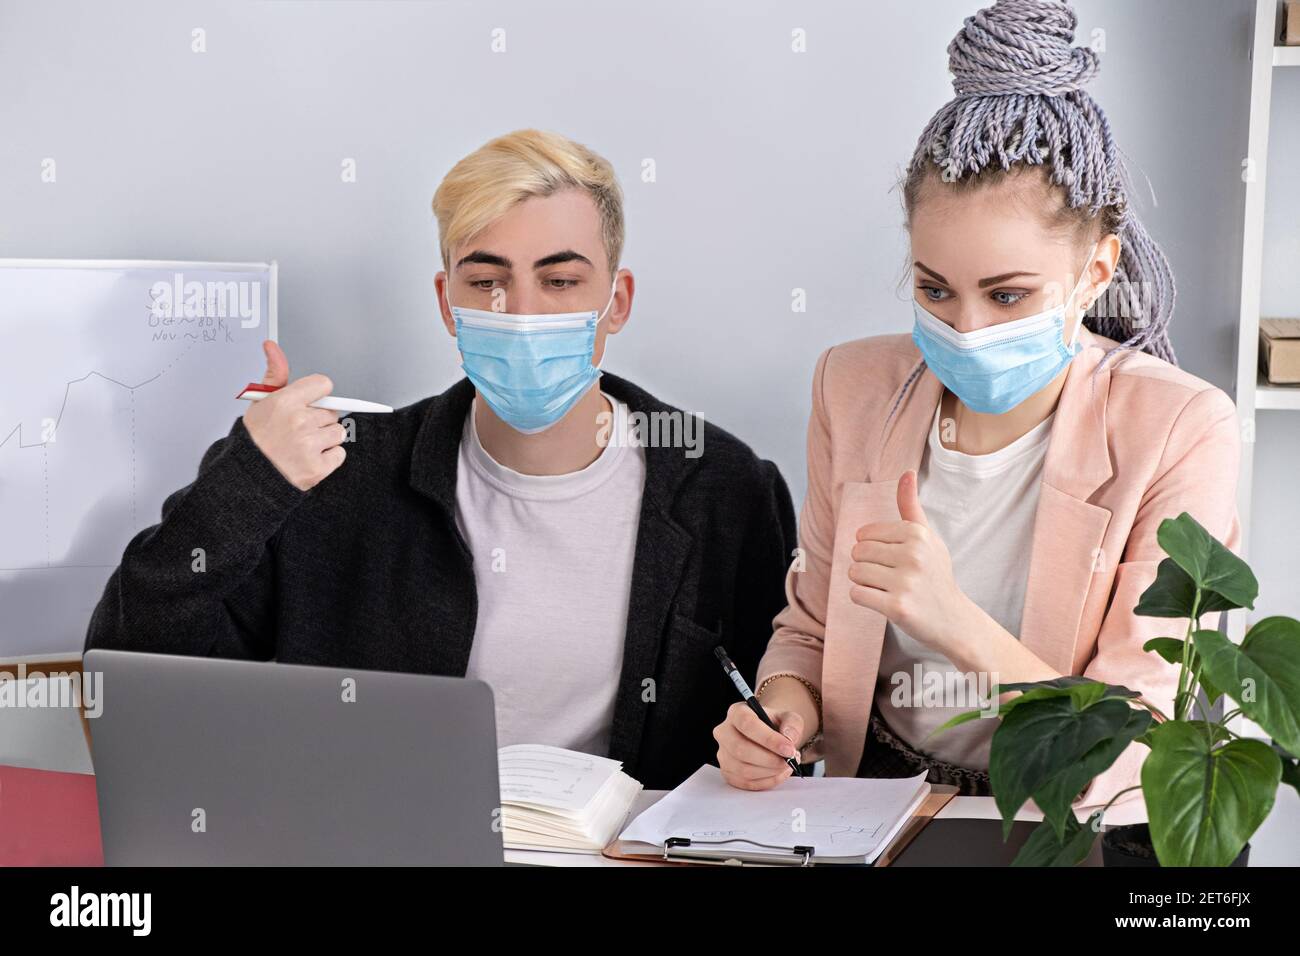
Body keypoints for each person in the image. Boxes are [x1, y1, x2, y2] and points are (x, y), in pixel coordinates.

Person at [86, 129, 797, 790]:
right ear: (446, 302)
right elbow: (127, 682)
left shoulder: (725, 491)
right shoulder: (340, 478)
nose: (519, 312)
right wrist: (248, 483)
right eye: (486, 279)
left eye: (560, 281)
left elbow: (779, 741)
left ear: (617, 302)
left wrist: (767, 749)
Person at [713, 0, 1241, 811]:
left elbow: (1139, 741)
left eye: (1007, 294)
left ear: (1097, 272)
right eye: (934, 289)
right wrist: (783, 709)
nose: (965, 328)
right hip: (876, 807)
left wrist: (952, 619)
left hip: (1055, 817)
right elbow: (812, 631)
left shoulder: (1180, 429)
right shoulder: (850, 388)